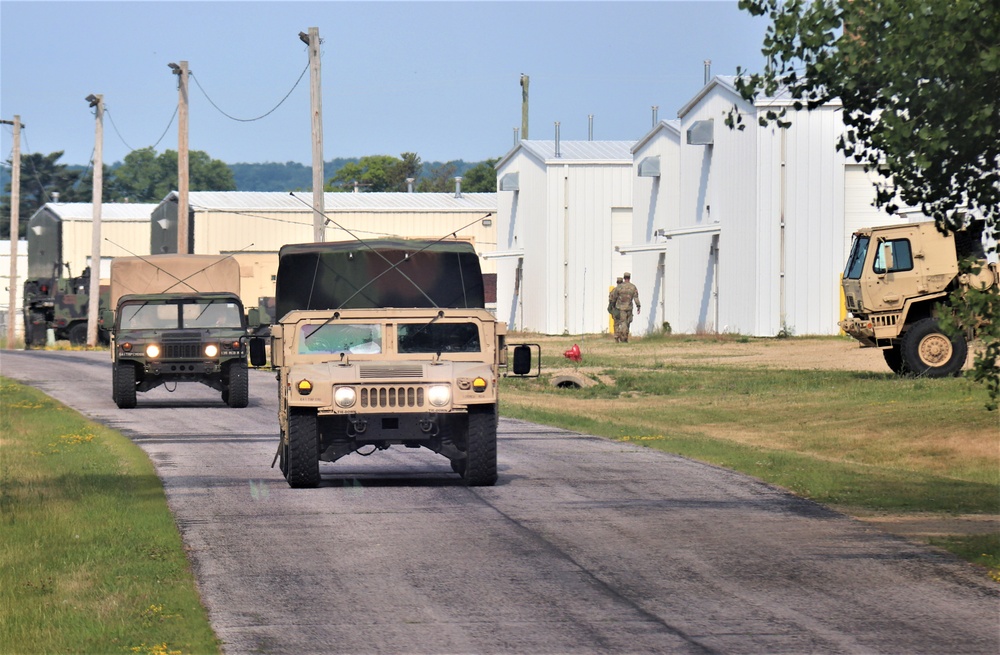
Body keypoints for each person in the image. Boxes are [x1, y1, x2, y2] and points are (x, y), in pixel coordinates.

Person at [612, 272, 640, 342]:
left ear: (624, 278)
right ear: (629, 278)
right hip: (629, 308)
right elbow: (636, 298)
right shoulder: (633, 287)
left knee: (624, 322)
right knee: (627, 322)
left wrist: (613, 305)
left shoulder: (619, 287)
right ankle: (624, 338)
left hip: (621, 308)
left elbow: (614, 297)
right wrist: (638, 306)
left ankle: (623, 337)